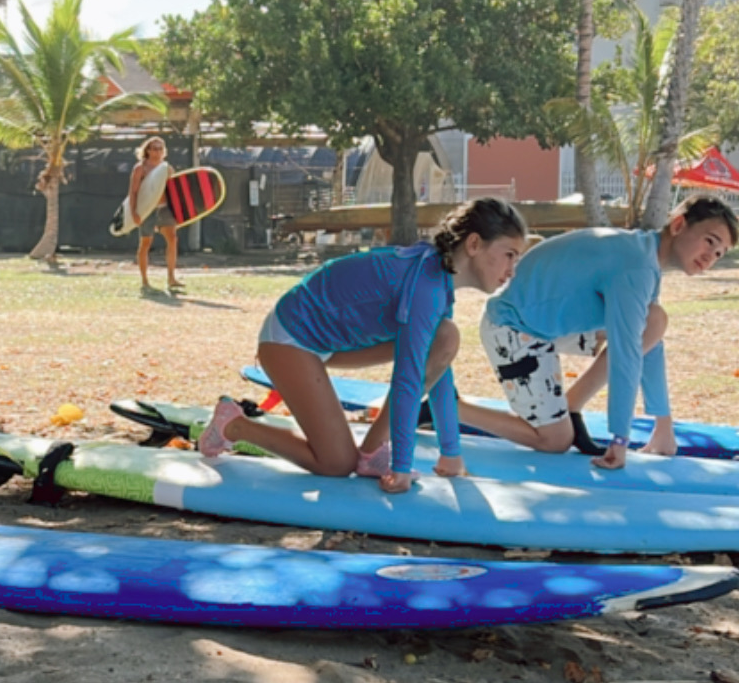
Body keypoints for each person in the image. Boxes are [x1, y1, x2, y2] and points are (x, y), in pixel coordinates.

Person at [199, 197, 528, 495]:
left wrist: (451, 454)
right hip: (289, 338)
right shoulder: (427, 286)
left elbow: (440, 371)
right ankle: (234, 423)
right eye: (509, 255)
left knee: (445, 338)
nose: (511, 271)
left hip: (330, 343)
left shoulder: (439, 284)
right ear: (474, 244)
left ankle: (371, 453)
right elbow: (408, 378)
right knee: (336, 464)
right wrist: (401, 467)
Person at [463, 194, 739, 471]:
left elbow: (649, 342)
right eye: (710, 241)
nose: (710, 257)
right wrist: (619, 440)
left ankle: (571, 406)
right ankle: (451, 408)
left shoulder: (645, 256)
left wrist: (663, 426)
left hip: (546, 323)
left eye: (719, 253)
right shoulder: (637, 265)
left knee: (654, 320)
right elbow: (626, 354)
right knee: (555, 441)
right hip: (513, 328)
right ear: (678, 225)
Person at [128, 134, 180, 295]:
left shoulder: (167, 168)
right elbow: (134, 192)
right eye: (154, 148)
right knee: (145, 244)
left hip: (164, 209)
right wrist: (134, 212)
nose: (157, 152)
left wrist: (178, 211)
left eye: (160, 148)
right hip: (147, 210)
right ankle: (145, 281)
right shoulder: (140, 168)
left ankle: (171, 278)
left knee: (172, 239)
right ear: (148, 150)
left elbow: (174, 191)